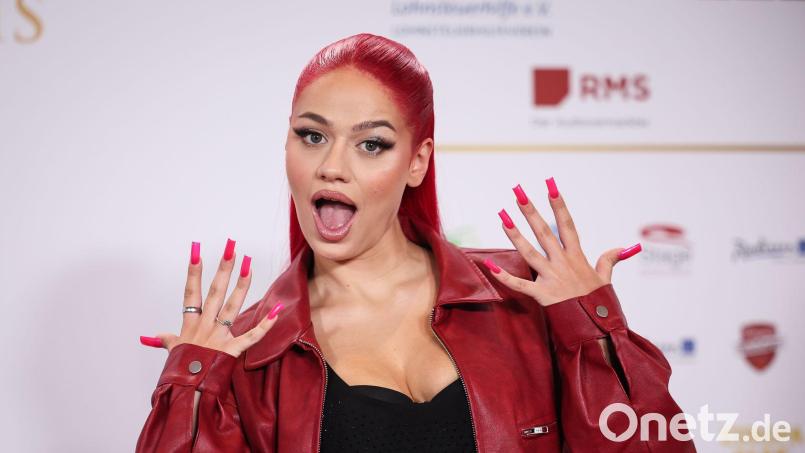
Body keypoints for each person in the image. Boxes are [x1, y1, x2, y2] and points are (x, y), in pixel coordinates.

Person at [136, 33, 696, 452]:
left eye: (371, 144)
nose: (331, 166)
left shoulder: (526, 295)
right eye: (312, 136)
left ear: (417, 162)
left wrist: (592, 329)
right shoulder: (252, 351)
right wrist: (194, 390)